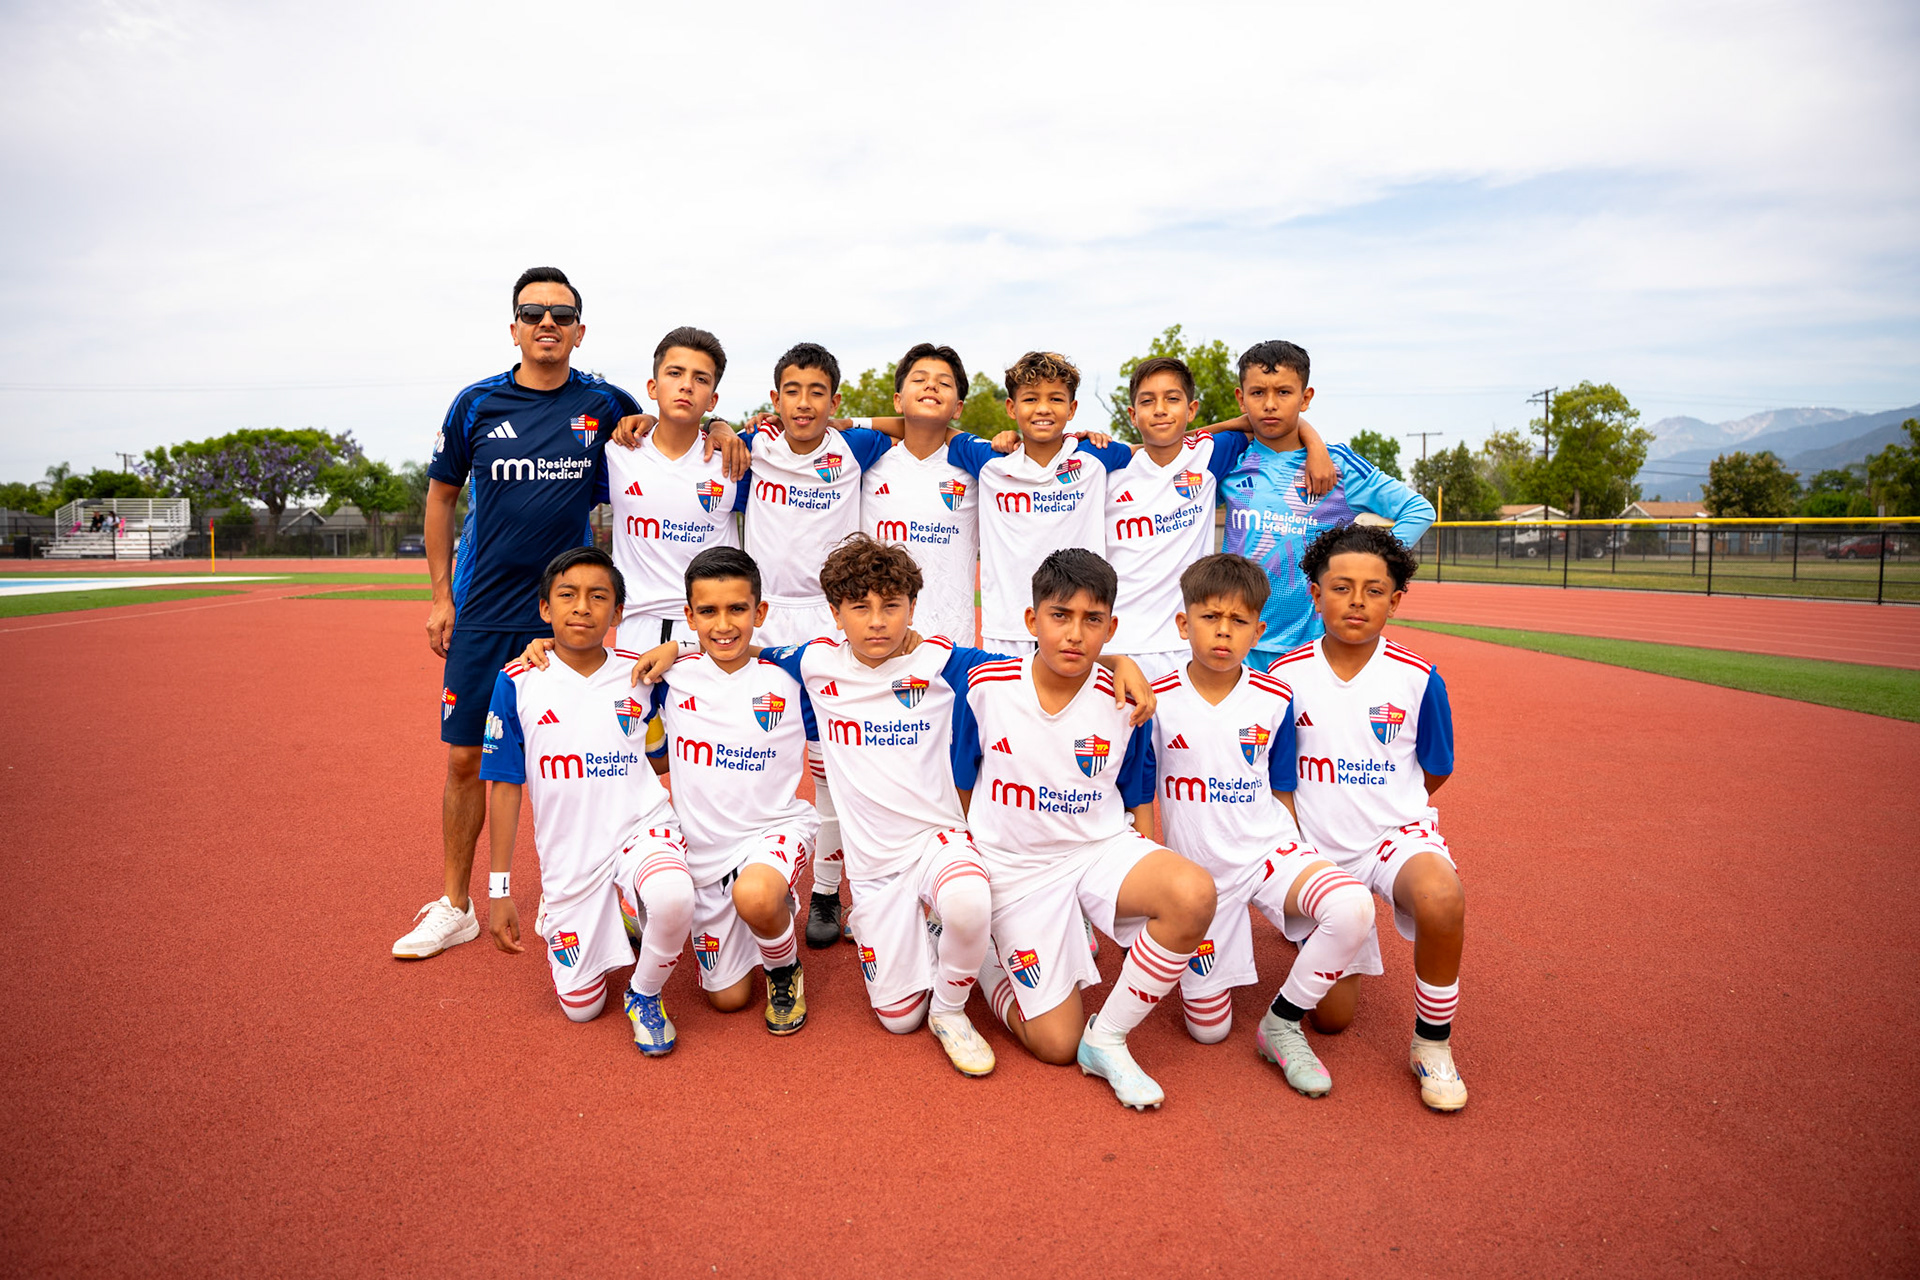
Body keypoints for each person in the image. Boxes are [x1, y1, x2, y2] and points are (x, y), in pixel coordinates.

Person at [394, 266, 649, 960]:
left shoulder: (604, 402)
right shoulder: (476, 404)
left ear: (579, 331)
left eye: (561, 315)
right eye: (533, 313)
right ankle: (456, 905)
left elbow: (664, 432)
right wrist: (441, 596)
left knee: (590, 756)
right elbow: (441, 497)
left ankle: (596, 894)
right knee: (465, 759)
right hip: (482, 609)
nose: (547, 324)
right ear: (514, 328)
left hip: (566, 614)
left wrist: (715, 424)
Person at [957, 548, 1215, 1111]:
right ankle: (987, 965)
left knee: (1191, 893)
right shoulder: (983, 684)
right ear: (1032, 620)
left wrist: (1148, 861)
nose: (1075, 634)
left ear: (1110, 628)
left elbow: (1137, 791)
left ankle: (1108, 1038)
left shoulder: (1127, 702)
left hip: (1097, 848)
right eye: (1060, 616)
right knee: (1054, 1045)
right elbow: (961, 782)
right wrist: (969, 872)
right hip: (1016, 870)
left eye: (1092, 620)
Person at [1143, 553, 1375, 1096]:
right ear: (1184, 624)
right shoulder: (1157, 700)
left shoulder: (1275, 696)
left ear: (1258, 631)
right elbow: (1138, 789)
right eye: (1209, 617)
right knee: (1208, 1030)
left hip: (1269, 852)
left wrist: (1300, 857)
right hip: (1201, 880)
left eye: (1239, 621)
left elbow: (1282, 785)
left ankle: (1281, 1023)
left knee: (1352, 906)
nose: (1223, 631)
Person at [1270, 522, 1468, 1111]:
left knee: (1441, 897)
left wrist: (1390, 808)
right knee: (1332, 1021)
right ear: (1315, 593)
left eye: (1374, 590)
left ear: (1395, 601)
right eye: (1341, 587)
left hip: (1391, 837)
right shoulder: (1284, 677)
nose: (1357, 601)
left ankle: (1432, 1044)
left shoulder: (1418, 677)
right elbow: (1278, 778)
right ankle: (1328, 923)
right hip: (1318, 851)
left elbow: (1436, 769)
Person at [478, 547, 697, 1053]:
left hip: (641, 830)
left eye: (598, 597)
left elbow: (730, 649)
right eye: (567, 595)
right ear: (545, 608)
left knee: (673, 897)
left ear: (618, 614)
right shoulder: (516, 682)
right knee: (582, 1008)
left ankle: (644, 992)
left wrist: (677, 647)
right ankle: (617, 912)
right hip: (571, 859)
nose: (582, 607)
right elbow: (506, 787)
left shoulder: (642, 673)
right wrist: (498, 890)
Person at [641, 546, 819, 1034]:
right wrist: (541, 645)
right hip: (705, 854)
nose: (723, 624)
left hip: (772, 831)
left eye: (738, 609)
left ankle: (784, 969)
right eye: (708, 612)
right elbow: (593, 663)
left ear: (760, 612)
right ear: (689, 617)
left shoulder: (792, 677)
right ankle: (754, 919)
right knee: (728, 1000)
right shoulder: (669, 677)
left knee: (756, 896)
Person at [1216, 340, 1434, 673]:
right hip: (1236, 644)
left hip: (1311, 647)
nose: (1270, 404)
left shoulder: (1338, 466)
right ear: (1241, 398)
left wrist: (1368, 564)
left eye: (1284, 392)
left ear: (1305, 398)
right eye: (1258, 393)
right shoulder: (1229, 460)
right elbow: (1175, 447)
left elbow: (1419, 510)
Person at [942, 353, 1133, 656]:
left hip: (1076, 627)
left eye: (1055, 399)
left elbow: (1163, 444)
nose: (1043, 408)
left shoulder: (1096, 455)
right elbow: (926, 427)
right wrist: (861, 422)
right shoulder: (989, 460)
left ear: (1072, 409)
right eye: (1030, 399)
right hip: (1006, 629)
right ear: (1011, 407)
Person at [601, 327, 749, 647]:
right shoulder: (615, 454)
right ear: (653, 387)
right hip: (635, 627)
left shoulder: (734, 459)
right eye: (675, 373)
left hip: (709, 628)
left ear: (712, 399)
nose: (686, 385)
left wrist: (720, 426)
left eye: (701, 378)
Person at [860, 343, 981, 644]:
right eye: (919, 379)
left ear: (958, 408)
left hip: (951, 641)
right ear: (898, 401)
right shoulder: (865, 465)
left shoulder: (978, 472)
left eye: (944, 383)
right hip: (879, 640)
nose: (931, 385)